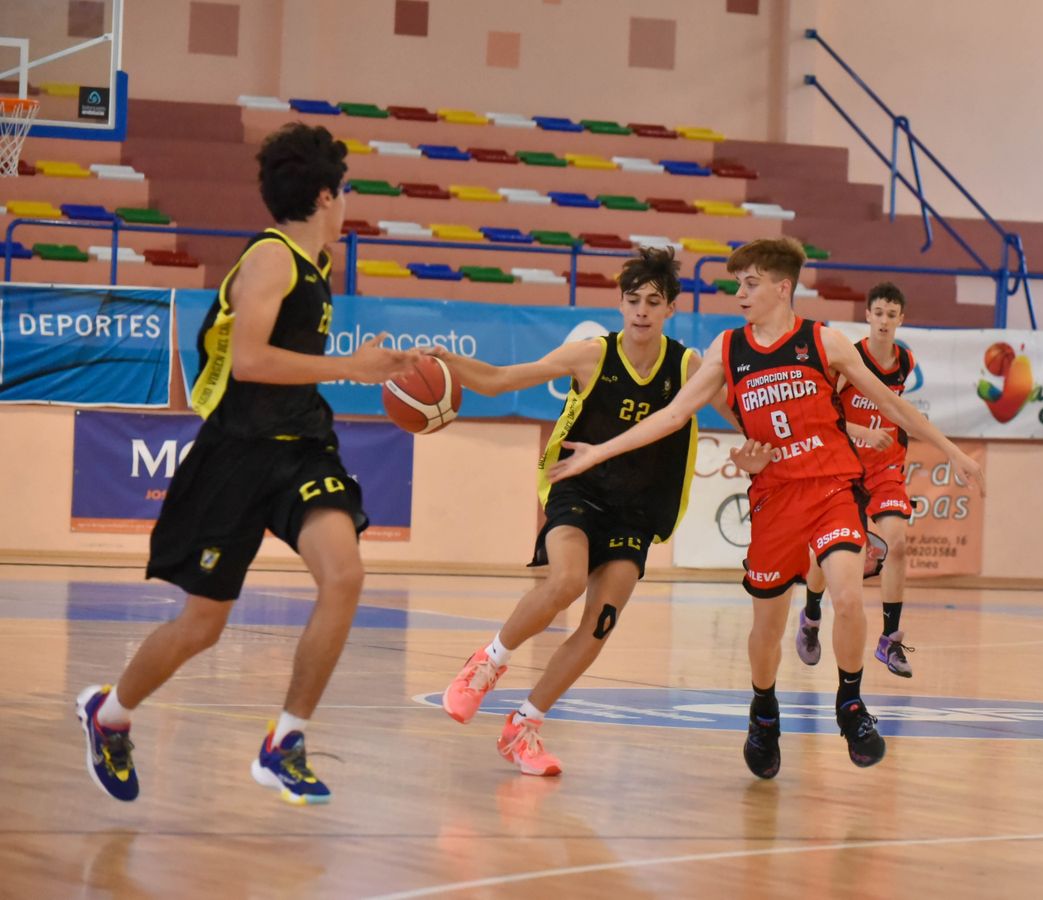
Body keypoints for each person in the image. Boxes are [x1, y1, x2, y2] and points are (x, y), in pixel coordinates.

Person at [547, 237, 982, 779]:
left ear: (782, 288)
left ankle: (850, 705)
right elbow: (673, 414)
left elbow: (892, 404)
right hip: (775, 499)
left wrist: (952, 450)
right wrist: (601, 450)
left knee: (849, 596)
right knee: (767, 630)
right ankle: (763, 710)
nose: (740, 294)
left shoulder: (824, 342)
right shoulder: (728, 349)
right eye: (738, 284)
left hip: (832, 489)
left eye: (750, 284)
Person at [75, 123, 417, 805]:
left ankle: (284, 742)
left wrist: (370, 367)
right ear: (326, 195)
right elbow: (251, 361)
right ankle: (108, 716)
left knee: (345, 575)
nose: (347, 202)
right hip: (236, 453)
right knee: (203, 626)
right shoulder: (271, 259)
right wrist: (350, 367)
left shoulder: (317, 265)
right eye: (345, 190)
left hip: (301, 447)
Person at [433, 248, 704, 775]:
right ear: (620, 304)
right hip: (578, 488)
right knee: (566, 581)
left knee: (601, 622)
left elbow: (743, 411)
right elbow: (500, 380)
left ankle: (524, 727)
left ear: (671, 308)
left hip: (636, 509)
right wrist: (449, 361)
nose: (642, 310)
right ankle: (486, 664)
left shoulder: (688, 366)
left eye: (653, 301)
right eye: (633, 300)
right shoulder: (590, 356)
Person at [796, 281, 919, 678]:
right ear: (867, 315)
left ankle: (890, 640)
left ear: (900, 319)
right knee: (827, 554)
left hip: (885, 469)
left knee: (897, 545)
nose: (884, 321)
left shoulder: (905, 361)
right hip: (845, 466)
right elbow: (822, 413)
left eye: (891, 315)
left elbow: (895, 409)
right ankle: (811, 616)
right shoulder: (850, 359)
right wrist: (863, 432)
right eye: (878, 313)